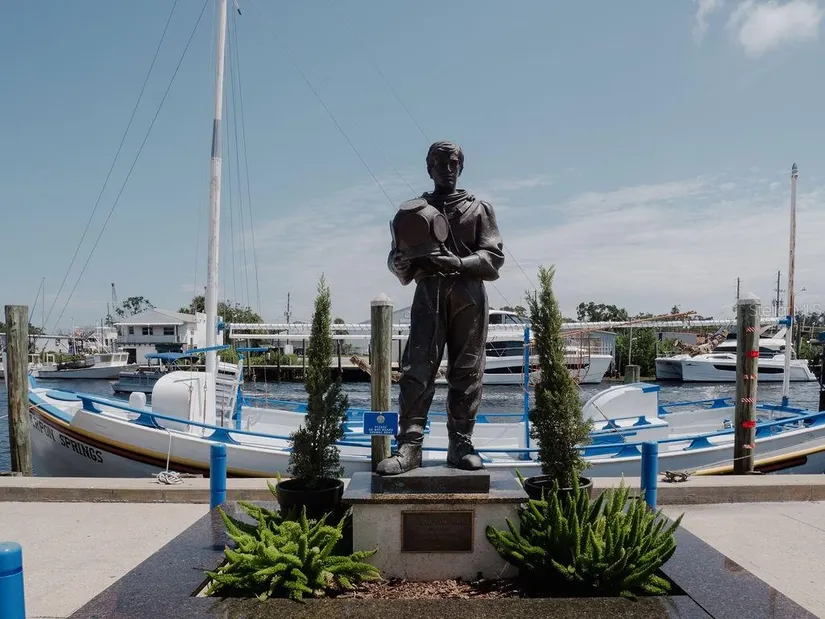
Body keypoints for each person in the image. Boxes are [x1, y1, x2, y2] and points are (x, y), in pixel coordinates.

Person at [377, 141, 505, 475]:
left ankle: (461, 443)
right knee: (416, 370)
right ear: (428, 168)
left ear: (461, 167)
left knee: (467, 371)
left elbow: (492, 258)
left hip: (468, 296)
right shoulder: (412, 213)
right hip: (428, 294)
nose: (447, 169)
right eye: (440, 163)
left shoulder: (479, 209)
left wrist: (459, 262)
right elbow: (398, 257)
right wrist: (398, 263)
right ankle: (410, 445)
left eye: (453, 163)